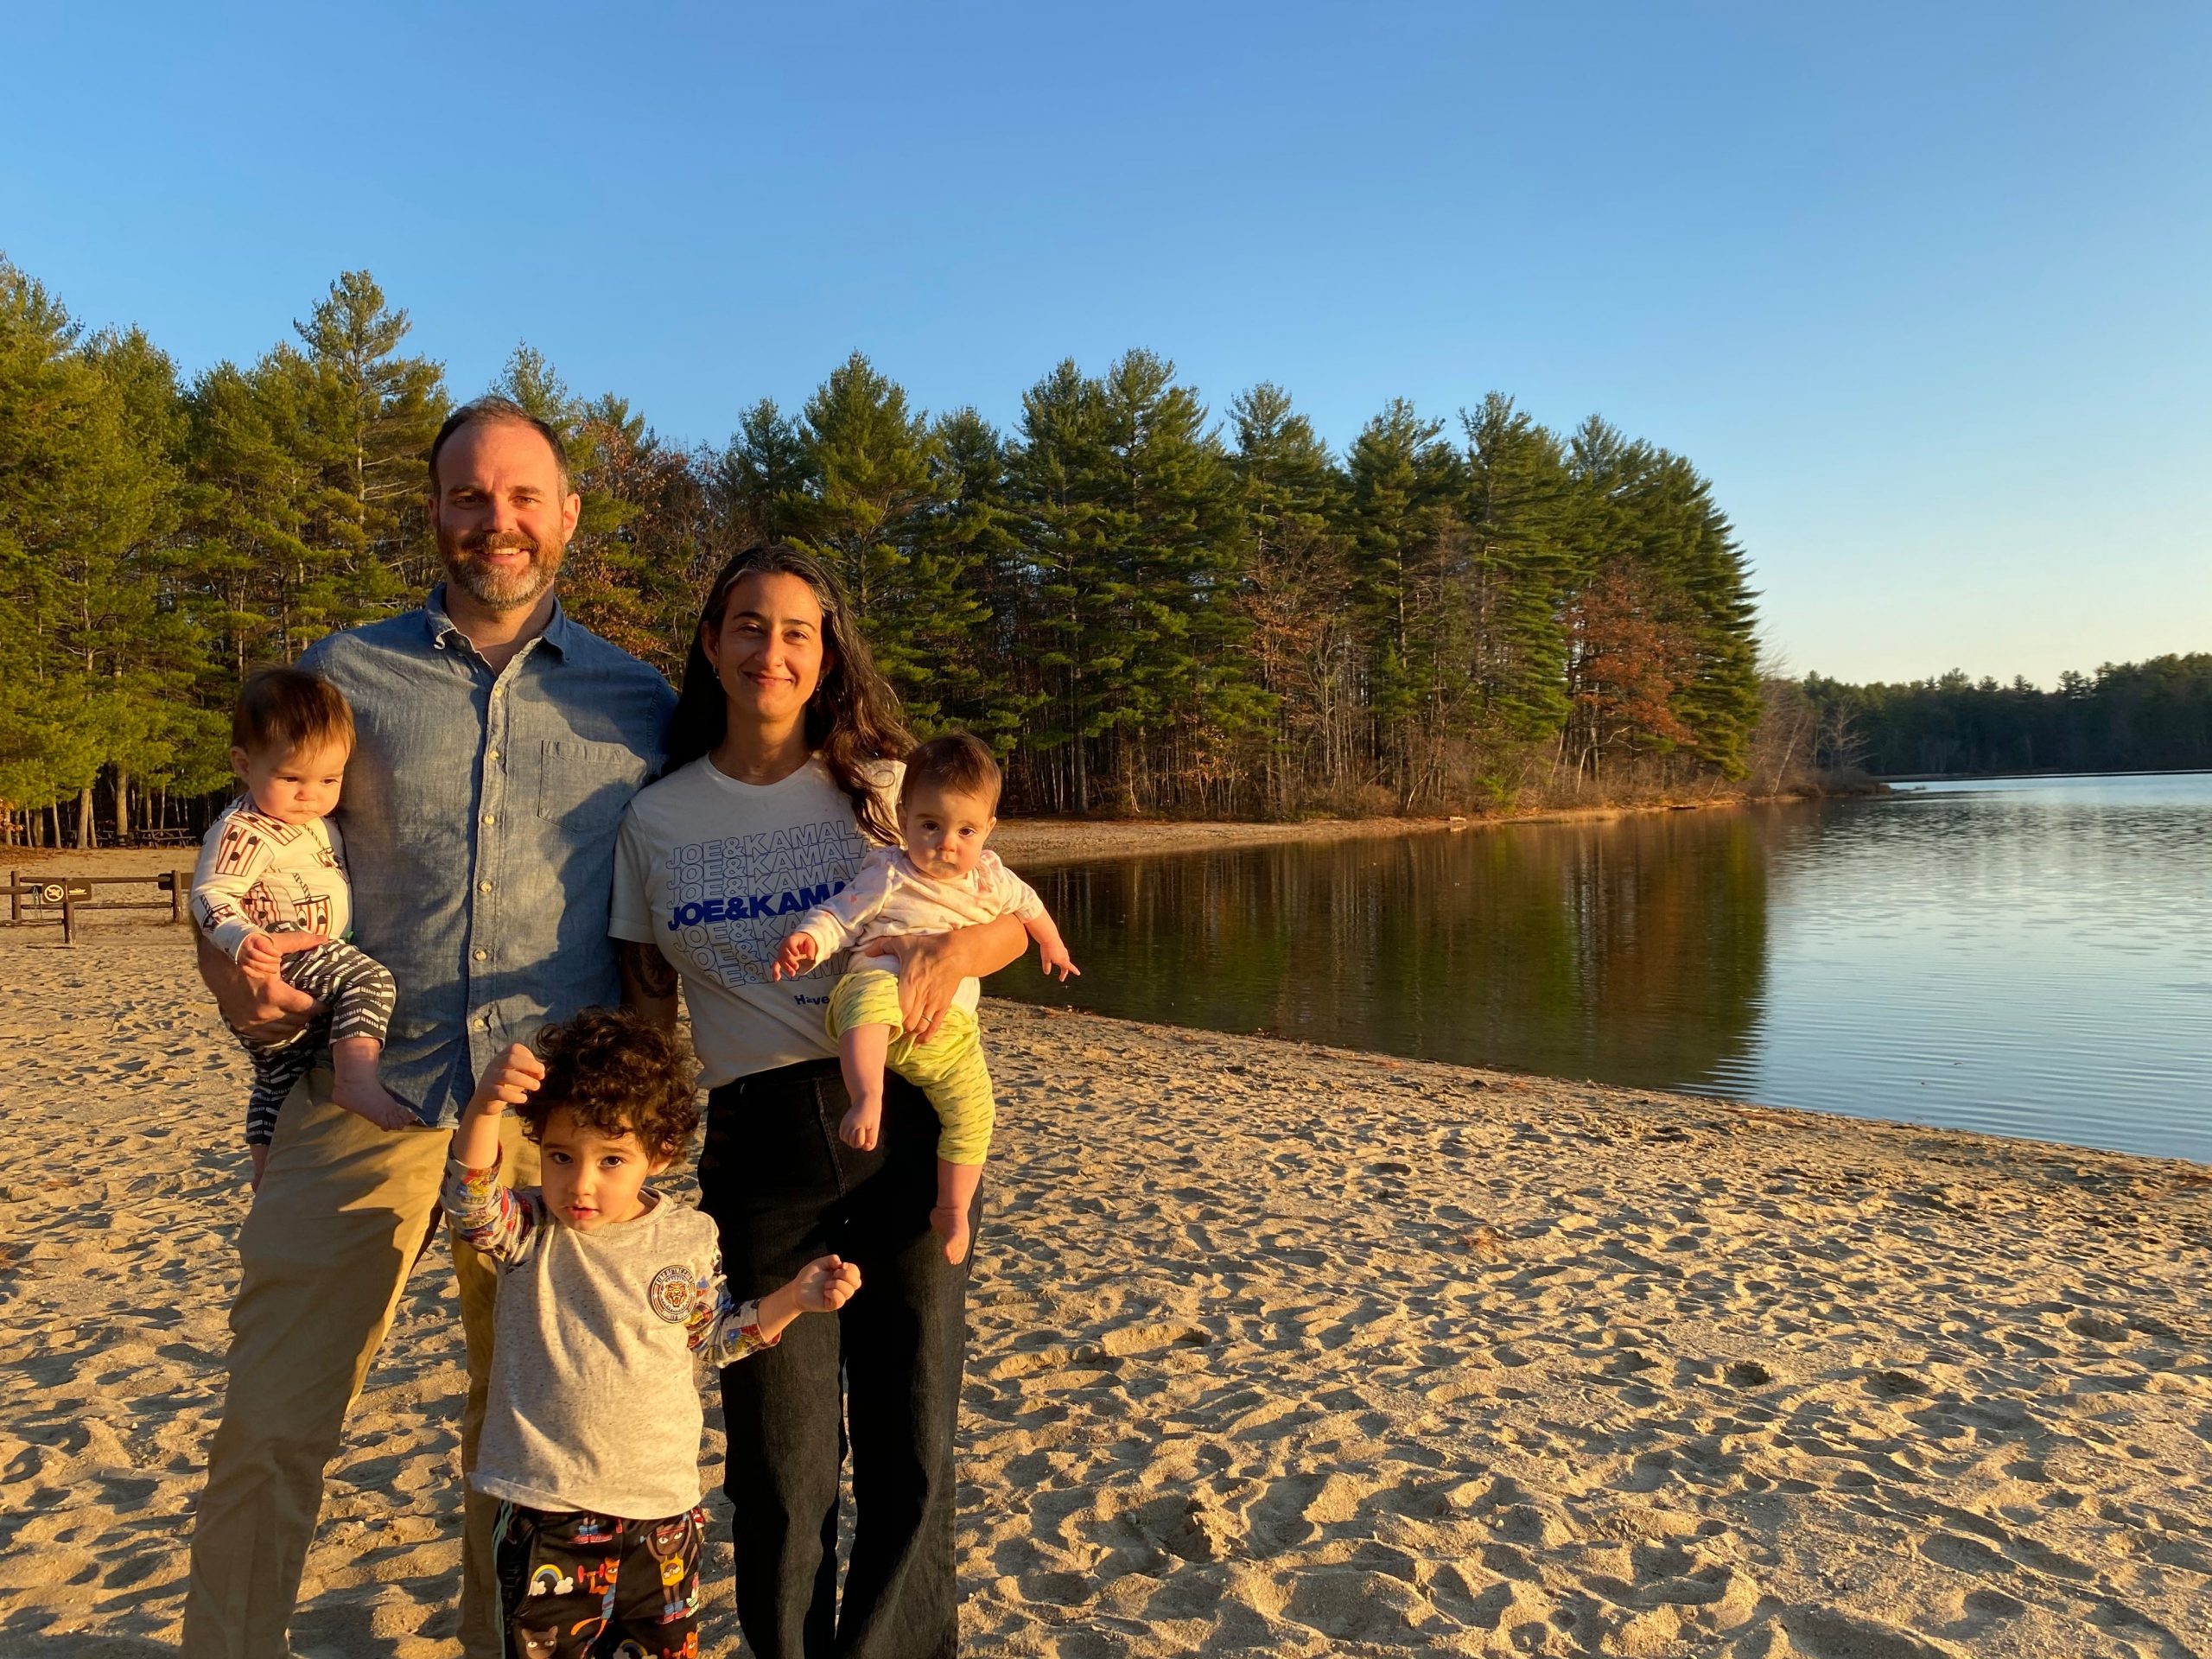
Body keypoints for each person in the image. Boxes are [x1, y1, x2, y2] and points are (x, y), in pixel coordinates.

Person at [181, 397, 677, 1659]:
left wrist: (970, 927)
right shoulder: (342, 677)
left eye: (523, 497)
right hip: (356, 1101)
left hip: (551, 1135)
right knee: (271, 1427)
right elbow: (239, 865)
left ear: (567, 515)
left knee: (515, 1453)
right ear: (436, 513)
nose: (495, 522)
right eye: (469, 496)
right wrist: (231, 982)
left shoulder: (644, 702)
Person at [610, 544, 1030, 1659]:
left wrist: (952, 955)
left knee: (910, 1438)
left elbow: (1006, 921)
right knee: (781, 1458)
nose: (772, 650)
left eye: (798, 630)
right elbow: (649, 1005)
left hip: (903, 1123)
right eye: (749, 625)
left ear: (826, 652)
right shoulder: (657, 819)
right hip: (754, 1144)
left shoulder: (891, 792)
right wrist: (634, 1165)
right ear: (711, 643)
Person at [445, 1008, 861, 1659]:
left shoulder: (689, 1237)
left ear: (659, 1155)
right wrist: (484, 1110)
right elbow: (470, 1206)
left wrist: (793, 1300)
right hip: (547, 1510)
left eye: (611, 1160)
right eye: (560, 1156)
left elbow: (714, 1338)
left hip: (664, 1518)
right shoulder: (530, 1228)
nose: (581, 1184)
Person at [772, 732, 1077, 1266]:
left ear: (988, 830)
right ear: (905, 818)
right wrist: (809, 940)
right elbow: (841, 916)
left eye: (966, 830)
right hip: (882, 993)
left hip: (948, 1030)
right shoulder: (889, 871)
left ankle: (953, 1207)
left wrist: (1052, 944)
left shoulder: (990, 877)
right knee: (867, 998)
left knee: (975, 1112)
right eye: (930, 826)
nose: (947, 843)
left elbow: (1028, 908)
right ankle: (868, 1096)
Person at [192, 666, 410, 1182]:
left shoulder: (316, 823)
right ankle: (357, 1080)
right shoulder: (244, 828)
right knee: (370, 980)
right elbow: (210, 894)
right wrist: (243, 941)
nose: (310, 794)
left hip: (303, 960)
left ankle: (264, 1171)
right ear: (243, 765)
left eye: (329, 780)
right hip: (285, 953)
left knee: (280, 1076)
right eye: (291, 778)